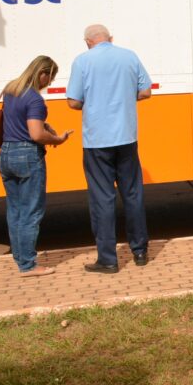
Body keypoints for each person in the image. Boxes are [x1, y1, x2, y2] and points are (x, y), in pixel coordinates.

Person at [67, 24, 152, 273]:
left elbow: (73, 102)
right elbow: (146, 92)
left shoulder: (82, 61)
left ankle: (108, 259)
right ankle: (140, 252)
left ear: (87, 42)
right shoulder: (129, 56)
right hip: (127, 137)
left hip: (97, 141)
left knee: (102, 199)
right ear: (110, 38)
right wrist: (125, 97)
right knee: (133, 194)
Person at [0, 55, 73, 277]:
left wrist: (44, 124)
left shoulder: (11, 90)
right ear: (42, 73)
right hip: (27, 155)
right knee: (31, 211)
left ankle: (21, 259)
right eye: (50, 77)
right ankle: (28, 265)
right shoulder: (35, 99)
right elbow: (36, 134)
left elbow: (18, 119)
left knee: (15, 210)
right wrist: (58, 139)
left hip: (6, 153)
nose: (50, 83)